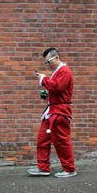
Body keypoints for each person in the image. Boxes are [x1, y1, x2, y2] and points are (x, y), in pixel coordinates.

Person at [27, 48, 76, 178]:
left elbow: (58, 87)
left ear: (57, 58)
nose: (47, 64)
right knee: (42, 140)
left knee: (61, 141)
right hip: (52, 111)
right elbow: (56, 88)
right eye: (46, 62)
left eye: (48, 61)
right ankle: (43, 168)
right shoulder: (57, 72)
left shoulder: (65, 71)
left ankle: (69, 168)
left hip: (59, 111)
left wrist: (44, 80)